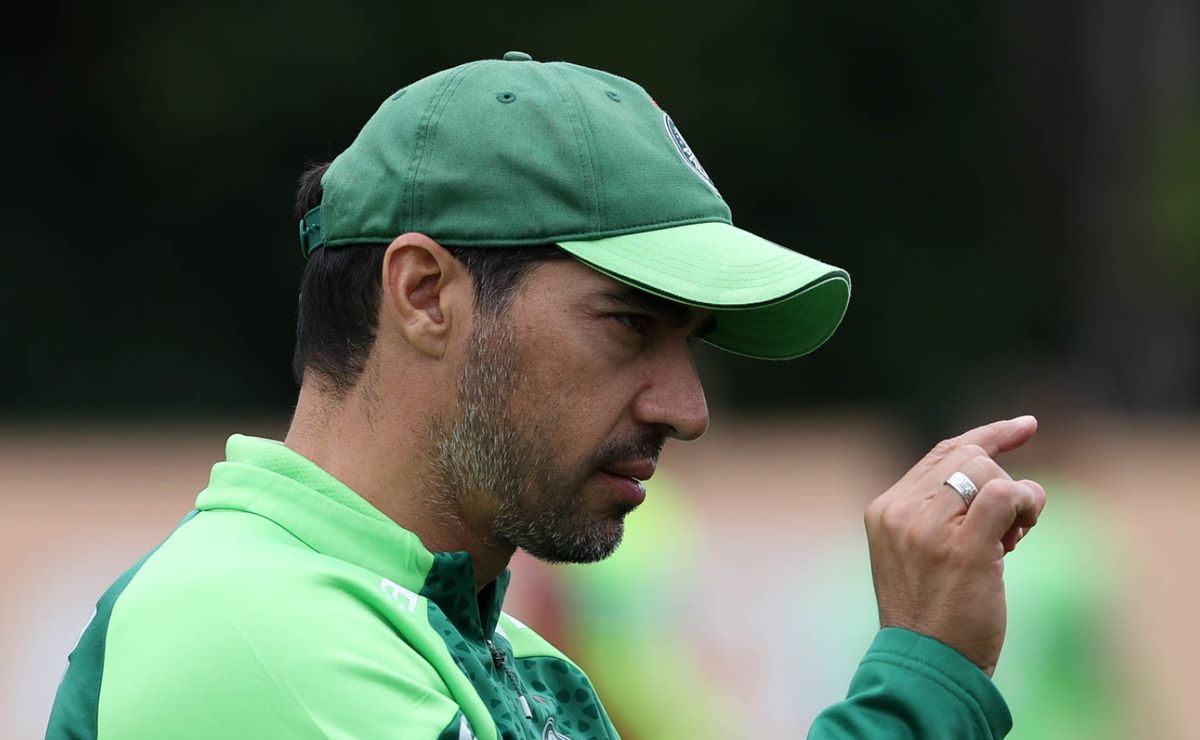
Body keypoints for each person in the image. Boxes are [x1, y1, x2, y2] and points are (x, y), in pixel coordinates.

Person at [46, 52, 1046, 739]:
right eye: (629, 325)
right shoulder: (247, 621)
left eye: (688, 342)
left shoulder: (506, 653)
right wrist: (922, 676)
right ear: (426, 294)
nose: (686, 407)